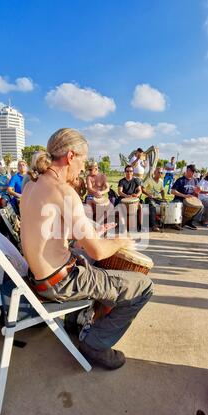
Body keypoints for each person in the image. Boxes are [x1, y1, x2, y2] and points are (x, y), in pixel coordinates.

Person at [20, 128, 153, 370]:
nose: (83, 168)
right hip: (60, 284)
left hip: (38, 278)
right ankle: (96, 343)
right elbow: (98, 252)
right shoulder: (64, 192)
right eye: (82, 160)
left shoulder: (31, 185)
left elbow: (46, 230)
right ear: (71, 156)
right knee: (144, 287)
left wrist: (90, 233)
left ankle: (74, 323)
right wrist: (122, 240)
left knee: (83, 257)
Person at [171, 164, 203, 230]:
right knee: (178, 204)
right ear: (188, 170)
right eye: (192, 171)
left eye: (194, 171)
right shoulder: (180, 180)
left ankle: (189, 222)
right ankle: (175, 223)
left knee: (201, 206)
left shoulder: (195, 180)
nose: (194, 173)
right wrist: (184, 196)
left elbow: (195, 193)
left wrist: (197, 192)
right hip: (179, 199)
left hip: (190, 200)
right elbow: (172, 191)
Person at [142, 167, 166, 232]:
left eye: (161, 172)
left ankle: (165, 223)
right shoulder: (149, 179)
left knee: (166, 205)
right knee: (152, 206)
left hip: (158, 199)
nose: (160, 174)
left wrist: (163, 198)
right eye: (159, 172)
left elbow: (162, 191)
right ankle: (153, 225)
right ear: (154, 172)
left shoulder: (161, 181)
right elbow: (142, 188)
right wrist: (148, 194)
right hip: (149, 198)